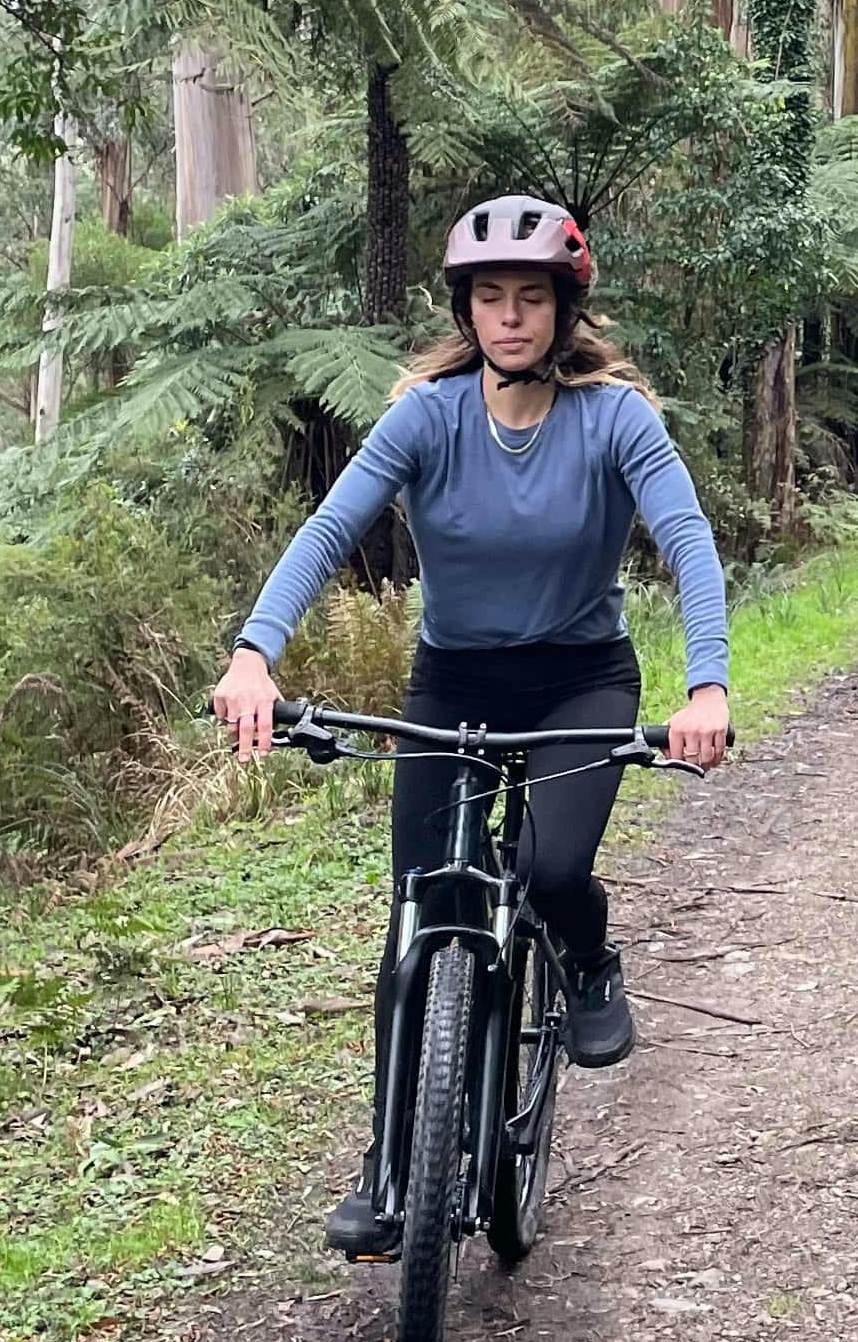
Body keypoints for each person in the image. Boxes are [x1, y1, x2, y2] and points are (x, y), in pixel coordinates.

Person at [212, 196, 731, 1257]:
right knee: (417, 914)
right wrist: (255, 652)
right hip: (453, 682)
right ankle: (390, 1165)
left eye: (529, 297)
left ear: (563, 309)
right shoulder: (428, 414)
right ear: (467, 308)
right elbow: (330, 528)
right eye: (490, 298)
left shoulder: (617, 417)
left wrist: (709, 688)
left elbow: (685, 536)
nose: (509, 317)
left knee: (547, 872)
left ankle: (583, 958)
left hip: (580, 684)